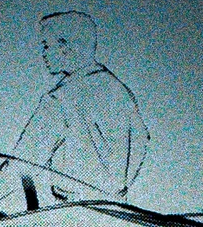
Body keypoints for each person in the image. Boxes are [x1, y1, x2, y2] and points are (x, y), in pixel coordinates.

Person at [13, 11, 149, 199]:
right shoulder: (119, 90)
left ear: (65, 48)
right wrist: (119, 186)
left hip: (72, 207)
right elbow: (141, 139)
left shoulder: (60, 98)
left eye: (47, 46)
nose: (43, 54)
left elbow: (24, 161)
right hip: (115, 205)